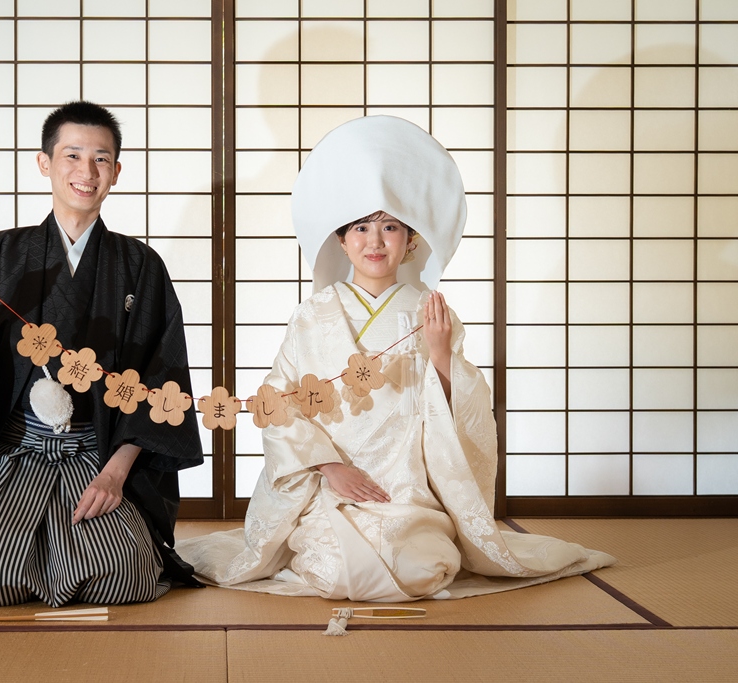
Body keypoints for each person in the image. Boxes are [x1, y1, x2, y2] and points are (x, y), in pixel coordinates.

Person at [177, 116, 615, 601]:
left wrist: (442, 353)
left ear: (410, 241)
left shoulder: (429, 311)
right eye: (361, 227)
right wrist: (328, 467)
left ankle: (417, 534)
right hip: (330, 487)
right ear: (342, 239)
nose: (375, 241)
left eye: (390, 227)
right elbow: (279, 401)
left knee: (426, 570)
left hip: (407, 492)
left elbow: (461, 415)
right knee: (333, 572)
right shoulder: (313, 314)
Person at [0, 101, 204, 608]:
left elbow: (162, 379)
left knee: (125, 581)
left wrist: (117, 471)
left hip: (97, 455)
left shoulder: (140, 266)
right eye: (72, 155)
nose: (86, 172)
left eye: (101, 159)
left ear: (117, 173)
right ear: (45, 163)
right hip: (16, 454)